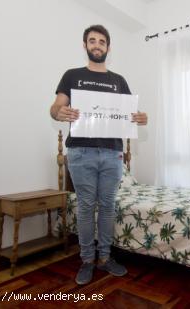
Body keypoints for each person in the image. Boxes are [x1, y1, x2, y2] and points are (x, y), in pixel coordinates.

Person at [49, 24, 148, 285]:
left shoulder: (119, 81)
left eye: (101, 41)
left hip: (112, 152)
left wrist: (141, 117)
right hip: (80, 152)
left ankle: (105, 258)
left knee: (107, 207)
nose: (97, 45)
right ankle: (86, 260)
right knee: (85, 207)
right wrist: (59, 112)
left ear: (108, 47)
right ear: (85, 45)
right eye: (92, 41)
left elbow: (130, 114)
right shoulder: (72, 76)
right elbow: (56, 107)